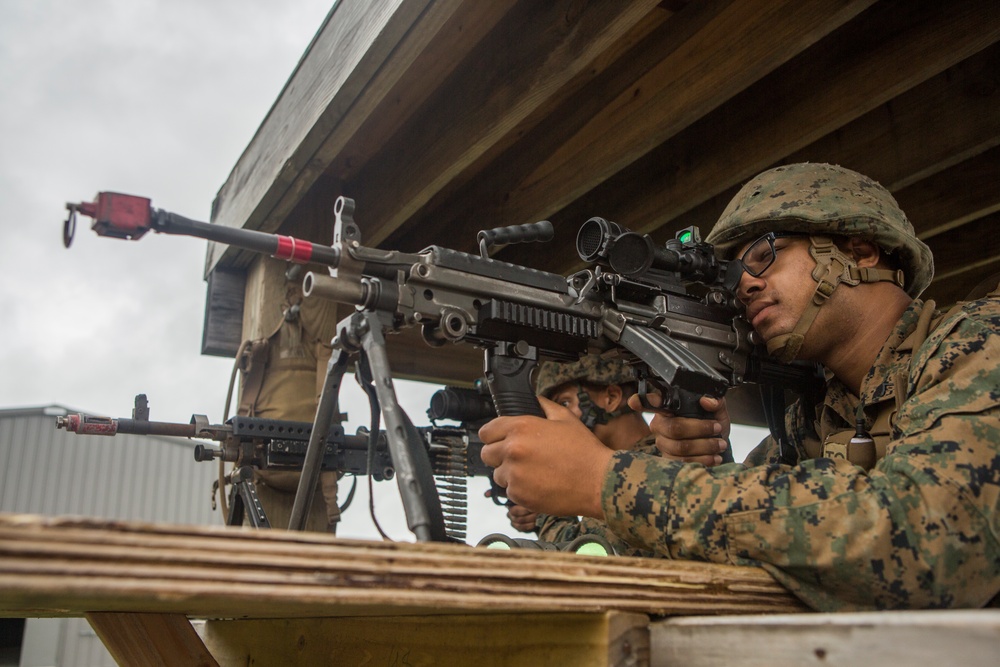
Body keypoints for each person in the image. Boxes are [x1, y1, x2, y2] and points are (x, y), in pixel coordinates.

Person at [479, 162, 1000, 611]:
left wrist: (603, 478)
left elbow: (932, 546)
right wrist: (686, 467)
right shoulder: (811, 419)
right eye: (733, 272)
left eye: (765, 254)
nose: (743, 284)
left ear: (861, 250)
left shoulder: (979, 341)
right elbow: (727, 541)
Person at [505, 355, 656, 557]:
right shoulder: (618, 469)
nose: (554, 421)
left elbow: (582, 554)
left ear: (611, 398)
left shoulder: (653, 464)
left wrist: (545, 504)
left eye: (564, 404)